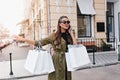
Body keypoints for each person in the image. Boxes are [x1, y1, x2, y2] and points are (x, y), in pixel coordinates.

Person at [13, 16, 77, 80]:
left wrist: (71, 34)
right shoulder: (54, 35)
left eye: (68, 22)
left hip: (67, 60)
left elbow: (75, 46)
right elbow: (39, 43)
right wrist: (23, 39)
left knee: (67, 77)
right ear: (60, 24)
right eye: (64, 22)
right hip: (57, 60)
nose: (67, 23)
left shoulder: (69, 35)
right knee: (57, 77)